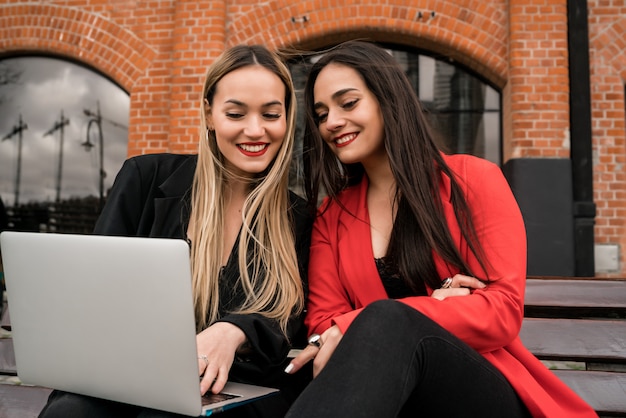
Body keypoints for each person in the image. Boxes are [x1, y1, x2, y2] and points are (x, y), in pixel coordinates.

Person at [283, 40, 596, 417]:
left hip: (480, 391)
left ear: (389, 100)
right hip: (389, 395)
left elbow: (501, 310)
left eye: (348, 103)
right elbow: (322, 323)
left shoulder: (473, 179)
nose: (331, 122)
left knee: (386, 320)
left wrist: (386, 319)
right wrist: (432, 305)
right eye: (320, 114)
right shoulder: (332, 215)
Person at [39, 44, 313, 418]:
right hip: (131, 373)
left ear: (286, 118)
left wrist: (234, 332)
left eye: (271, 114)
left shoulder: (297, 216)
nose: (255, 130)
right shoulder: (146, 179)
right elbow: (97, 292)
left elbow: (289, 320)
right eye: (236, 113)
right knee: (70, 413)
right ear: (209, 114)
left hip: (238, 389)